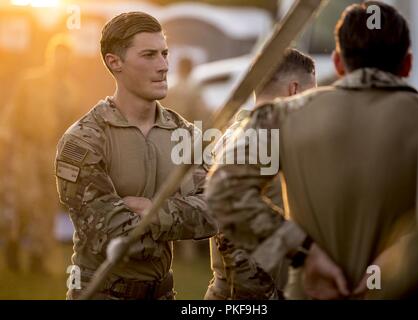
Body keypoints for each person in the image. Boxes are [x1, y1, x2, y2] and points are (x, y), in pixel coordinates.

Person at [206, 1, 418, 299]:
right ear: (408, 64)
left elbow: (223, 190)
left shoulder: (282, 116)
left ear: (338, 63)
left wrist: (304, 251)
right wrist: (404, 260)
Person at [56, 12, 217, 300]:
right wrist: (176, 215)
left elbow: (215, 210)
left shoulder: (185, 134)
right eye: (149, 55)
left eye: (165, 54)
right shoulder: (84, 138)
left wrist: (149, 208)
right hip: (102, 293)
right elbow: (110, 232)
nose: (164, 66)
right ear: (114, 62)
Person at [205, 48, 322, 299]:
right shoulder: (265, 137)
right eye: (311, 94)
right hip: (251, 294)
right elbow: (233, 225)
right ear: (294, 90)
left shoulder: (235, 132)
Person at [0, 33, 81, 273]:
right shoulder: (31, 81)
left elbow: (73, 127)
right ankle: (13, 246)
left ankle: (37, 257)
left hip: (52, 153)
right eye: (58, 56)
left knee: (46, 206)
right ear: (50, 56)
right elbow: (11, 115)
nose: (61, 62)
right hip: (26, 149)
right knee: (24, 202)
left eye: (66, 58)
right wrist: (9, 148)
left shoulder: (70, 90)